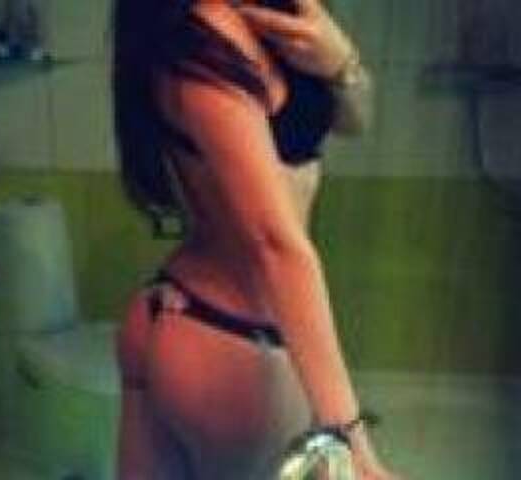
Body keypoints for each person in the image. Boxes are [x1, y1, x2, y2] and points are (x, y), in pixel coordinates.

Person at [112, 0, 401, 478]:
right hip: (230, 337)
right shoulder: (206, 38)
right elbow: (274, 244)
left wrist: (342, 64)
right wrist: (351, 444)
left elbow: (355, 122)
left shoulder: (260, 18)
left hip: (186, 312)